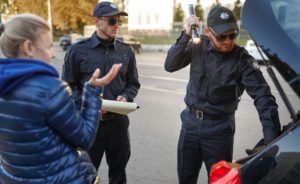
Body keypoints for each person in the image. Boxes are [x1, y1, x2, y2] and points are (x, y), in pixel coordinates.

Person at [164, 6, 281, 183]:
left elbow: (264, 98)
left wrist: (272, 142)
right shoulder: (198, 45)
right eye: (221, 36)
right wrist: (186, 34)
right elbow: (170, 65)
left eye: (232, 35)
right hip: (190, 125)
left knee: (220, 181)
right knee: (185, 179)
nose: (227, 41)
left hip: (219, 132)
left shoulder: (243, 59)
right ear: (208, 32)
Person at [0, 13, 122, 184]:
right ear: (28, 47)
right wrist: (93, 92)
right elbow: (84, 138)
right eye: (49, 47)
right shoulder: (48, 89)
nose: (53, 55)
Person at [62, 2, 140, 183]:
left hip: (118, 125)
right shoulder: (77, 51)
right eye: (112, 21)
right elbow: (68, 87)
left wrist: (126, 96)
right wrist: (90, 103)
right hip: (89, 125)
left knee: (118, 174)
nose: (117, 26)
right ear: (96, 21)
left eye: (119, 21)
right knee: (86, 176)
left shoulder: (126, 51)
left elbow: (133, 83)